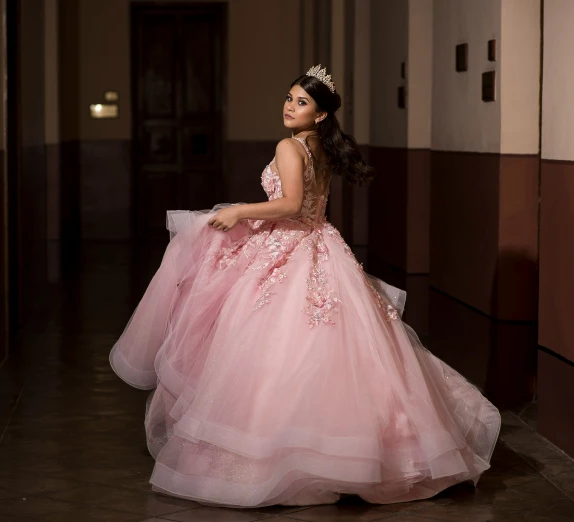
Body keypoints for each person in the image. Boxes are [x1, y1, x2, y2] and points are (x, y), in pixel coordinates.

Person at [110, 65, 501, 507]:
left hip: (294, 248)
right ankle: (354, 453)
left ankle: (280, 457)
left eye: (301, 102)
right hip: (322, 245)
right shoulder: (321, 147)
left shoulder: (291, 146)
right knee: (341, 350)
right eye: (289, 97)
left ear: (319, 116)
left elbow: (292, 204)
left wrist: (241, 213)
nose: (289, 106)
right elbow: (309, 206)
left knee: (277, 348)